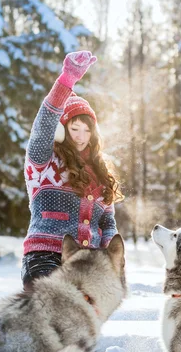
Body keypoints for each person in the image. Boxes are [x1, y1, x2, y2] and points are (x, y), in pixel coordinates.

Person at [21, 50, 123, 291]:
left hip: (89, 262)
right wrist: (66, 80)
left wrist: (112, 259)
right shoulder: (45, 161)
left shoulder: (100, 172)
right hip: (47, 257)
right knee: (54, 315)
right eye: (75, 129)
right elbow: (44, 124)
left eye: (87, 131)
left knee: (83, 323)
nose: (81, 137)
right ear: (64, 129)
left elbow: (107, 222)